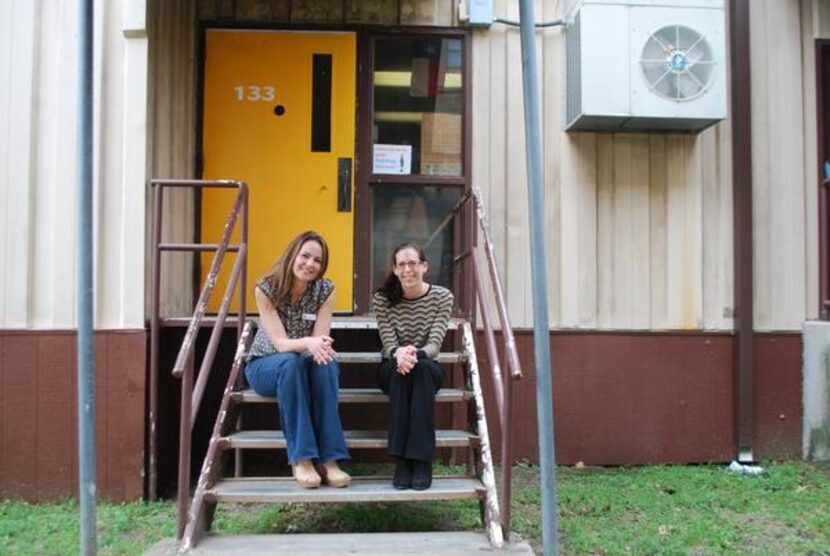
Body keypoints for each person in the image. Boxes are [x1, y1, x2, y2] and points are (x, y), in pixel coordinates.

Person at [245, 231, 350, 489]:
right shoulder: (266, 288)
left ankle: (330, 459)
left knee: (326, 363)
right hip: (266, 365)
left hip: (302, 363)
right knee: (290, 362)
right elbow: (280, 344)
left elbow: (320, 341)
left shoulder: (325, 290)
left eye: (317, 260)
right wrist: (309, 344)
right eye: (305, 256)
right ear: (293, 255)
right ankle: (302, 458)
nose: (310, 264)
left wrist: (319, 346)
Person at [373, 243, 454, 490]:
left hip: (427, 365)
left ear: (424, 266)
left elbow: (434, 345)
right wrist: (399, 354)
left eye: (413, 263)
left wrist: (413, 354)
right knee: (400, 373)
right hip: (392, 365)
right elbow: (388, 344)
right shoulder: (383, 299)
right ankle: (403, 461)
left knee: (422, 370)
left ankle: (419, 460)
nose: (408, 269)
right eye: (402, 264)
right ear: (395, 270)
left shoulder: (442, 297)